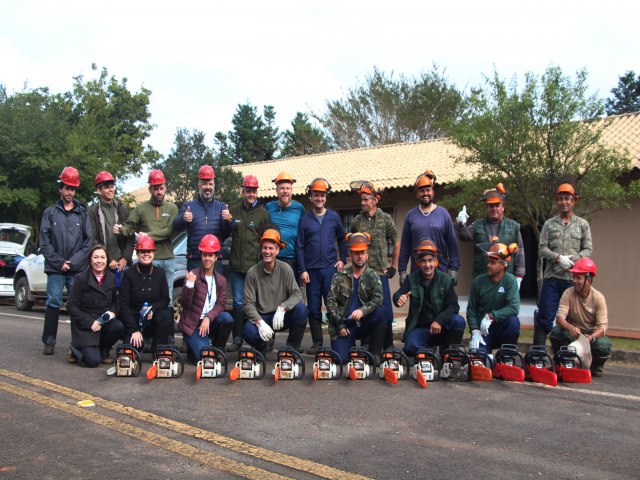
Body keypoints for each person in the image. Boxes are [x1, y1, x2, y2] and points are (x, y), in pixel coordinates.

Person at [40, 166, 92, 355]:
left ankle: (78, 343)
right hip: (55, 268)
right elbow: (44, 242)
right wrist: (59, 262)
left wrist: (73, 263)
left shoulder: (82, 212)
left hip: (76, 268)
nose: (70, 192)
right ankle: (49, 341)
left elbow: (88, 242)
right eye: (67, 188)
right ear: (60, 188)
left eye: (73, 188)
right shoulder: (50, 213)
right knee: (53, 302)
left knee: (76, 305)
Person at [536, 183, 593, 346]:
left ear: (573, 201)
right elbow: (542, 248)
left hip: (573, 280)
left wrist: (573, 260)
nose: (564, 202)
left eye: (567, 198)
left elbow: (588, 249)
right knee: (544, 317)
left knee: (571, 320)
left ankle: (566, 357)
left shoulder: (582, 224)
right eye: (560, 199)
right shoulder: (549, 224)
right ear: (557, 201)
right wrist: (558, 258)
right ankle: (538, 356)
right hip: (552, 278)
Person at [296, 178, 347, 354]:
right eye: (316, 195)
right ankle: (317, 342)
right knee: (314, 307)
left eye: (322, 195)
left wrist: (343, 260)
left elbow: (342, 239)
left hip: (330, 269)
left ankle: (336, 339)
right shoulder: (305, 219)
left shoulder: (334, 217)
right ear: (311, 197)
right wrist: (302, 270)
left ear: (326, 197)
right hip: (311, 271)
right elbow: (300, 246)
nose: (319, 198)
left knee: (333, 305)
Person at [113, 169, 178, 304]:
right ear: (150, 189)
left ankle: (166, 324)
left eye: (161, 188)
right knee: (149, 297)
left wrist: (147, 236)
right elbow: (130, 226)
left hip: (169, 259)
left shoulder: (172, 208)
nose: (159, 192)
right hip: (150, 259)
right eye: (155, 189)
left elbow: (170, 231)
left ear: (165, 187)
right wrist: (122, 229)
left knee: (168, 300)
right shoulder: (141, 208)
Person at [349, 180, 400, 349]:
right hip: (362, 274)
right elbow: (349, 241)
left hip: (380, 272)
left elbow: (396, 242)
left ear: (375, 200)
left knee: (385, 311)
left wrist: (393, 266)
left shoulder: (385, 218)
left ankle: (389, 345)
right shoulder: (357, 220)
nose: (363, 202)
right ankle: (367, 343)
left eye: (366, 199)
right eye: (362, 199)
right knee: (365, 309)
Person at [393, 239, 465, 357]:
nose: (427, 265)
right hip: (420, 329)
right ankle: (429, 355)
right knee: (410, 347)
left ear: (436, 261)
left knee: (458, 321)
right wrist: (398, 299)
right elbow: (397, 295)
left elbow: (453, 306)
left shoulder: (446, 280)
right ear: (418, 263)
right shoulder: (411, 279)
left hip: (441, 328)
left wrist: (439, 320)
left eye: (430, 260)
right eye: (424, 261)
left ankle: (449, 354)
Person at [242, 229, 308, 353]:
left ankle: (291, 349)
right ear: (261, 249)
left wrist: (283, 307)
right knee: (248, 332)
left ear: (277, 250)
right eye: (264, 248)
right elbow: (248, 303)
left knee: (301, 310)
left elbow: (297, 293)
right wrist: (259, 322)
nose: (267, 251)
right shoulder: (252, 273)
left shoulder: (286, 269)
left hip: (282, 315)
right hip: (263, 316)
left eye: (271, 248)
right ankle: (263, 346)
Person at [326, 232, 386, 364]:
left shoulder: (372, 275)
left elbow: (378, 299)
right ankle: (349, 344)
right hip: (345, 325)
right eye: (356, 253)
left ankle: (374, 353)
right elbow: (330, 302)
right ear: (350, 255)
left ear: (367, 255)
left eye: (362, 253)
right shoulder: (339, 276)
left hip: (364, 323)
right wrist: (340, 325)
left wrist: (363, 311)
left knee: (382, 312)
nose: (360, 256)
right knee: (341, 359)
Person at [225, 175, 270, 352]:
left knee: (255, 304)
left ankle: (260, 339)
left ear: (256, 192)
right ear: (242, 191)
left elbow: (267, 238)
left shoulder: (263, 213)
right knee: (237, 303)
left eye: (253, 191)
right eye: (248, 190)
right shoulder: (233, 211)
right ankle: (237, 339)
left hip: (255, 268)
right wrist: (227, 220)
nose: (251, 194)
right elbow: (225, 231)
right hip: (236, 266)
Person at [550, 258, 611, 377]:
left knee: (604, 345)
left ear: (588, 280)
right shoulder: (568, 293)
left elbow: (603, 327)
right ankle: (561, 360)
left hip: (590, 336)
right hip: (573, 334)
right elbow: (559, 318)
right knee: (556, 332)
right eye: (574, 277)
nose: (574, 281)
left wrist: (591, 338)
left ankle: (595, 365)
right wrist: (570, 327)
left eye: (579, 278)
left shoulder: (598, 298)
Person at [398, 169, 460, 287]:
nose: (425, 193)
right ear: (417, 194)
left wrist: (454, 268)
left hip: (440, 272)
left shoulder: (443, 214)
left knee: (441, 304)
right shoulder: (410, 216)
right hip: (417, 275)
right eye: (422, 191)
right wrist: (402, 270)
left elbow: (452, 244)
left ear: (433, 192)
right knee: (418, 303)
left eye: (428, 190)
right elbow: (405, 246)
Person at [456, 183, 525, 287]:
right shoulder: (477, 224)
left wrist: (519, 276)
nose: (494, 209)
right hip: (481, 277)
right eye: (490, 206)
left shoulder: (514, 226)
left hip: (506, 277)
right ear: (487, 208)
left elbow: (520, 252)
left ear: (503, 207)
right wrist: (462, 224)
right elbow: (465, 236)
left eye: (497, 205)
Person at [67, 245, 125, 367]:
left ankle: (104, 351)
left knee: (118, 327)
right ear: (90, 260)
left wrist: (113, 313)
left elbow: (116, 302)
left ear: (107, 260)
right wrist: (89, 322)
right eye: (96, 257)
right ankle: (75, 348)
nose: (99, 261)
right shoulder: (80, 278)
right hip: (86, 324)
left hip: (103, 320)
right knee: (92, 361)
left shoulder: (112, 277)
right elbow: (71, 306)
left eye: (103, 257)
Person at [178, 234, 233, 361]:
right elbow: (185, 304)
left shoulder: (221, 280)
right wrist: (189, 284)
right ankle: (196, 347)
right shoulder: (192, 275)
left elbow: (221, 305)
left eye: (210, 255)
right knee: (205, 358)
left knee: (227, 318)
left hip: (209, 322)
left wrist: (208, 317)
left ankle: (217, 349)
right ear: (201, 256)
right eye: (205, 255)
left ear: (216, 257)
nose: (207, 258)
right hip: (193, 324)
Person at [118, 236, 173, 356]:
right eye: (143, 251)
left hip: (153, 318)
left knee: (166, 315)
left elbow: (165, 299)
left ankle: (158, 349)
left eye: (149, 251)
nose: (146, 254)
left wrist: (153, 308)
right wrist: (134, 330)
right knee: (133, 351)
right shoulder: (128, 274)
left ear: (153, 253)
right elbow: (124, 304)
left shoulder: (160, 273)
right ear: (137, 253)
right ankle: (136, 339)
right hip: (134, 320)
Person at [172, 165, 230, 271]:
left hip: (215, 260)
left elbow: (229, 231)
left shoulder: (221, 206)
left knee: (215, 288)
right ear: (199, 185)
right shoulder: (188, 206)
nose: (207, 187)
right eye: (204, 183)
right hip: (195, 260)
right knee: (193, 287)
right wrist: (183, 219)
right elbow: (175, 226)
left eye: (210, 184)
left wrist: (229, 218)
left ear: (214, 186)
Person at [467, 240, 521, 354]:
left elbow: (514, 308)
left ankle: (506, 355)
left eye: (492, 263)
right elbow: (471, 310)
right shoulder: (478, 282)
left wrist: (491, 316)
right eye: (488, 262)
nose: (488, 265)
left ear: (502, 265)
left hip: (501, 330)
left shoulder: (510, 280)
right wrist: (475, 330)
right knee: (478, 361)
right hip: (483, 332)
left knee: (513, 322)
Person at [87, 171, 134, 286]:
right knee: (104, 297)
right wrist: (108, 259)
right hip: (103, 264)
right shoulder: (92, 211)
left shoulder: (122, 208)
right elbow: (93, 238)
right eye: (107, 187)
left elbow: (131, 235)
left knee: (124, 299)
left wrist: (125, 258)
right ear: (99, 190)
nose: (111, 190)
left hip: (123, 264)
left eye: (112, 186)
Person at [265, 171, 305, 276]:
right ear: (277, 191)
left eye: (288, 188)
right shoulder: (269, 207)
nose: (285, 191)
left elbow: (304, 232)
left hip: (293, 261)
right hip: (272, 259)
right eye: (282, 188)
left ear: (292, 191)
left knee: (291, 291)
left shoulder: (299, 208)